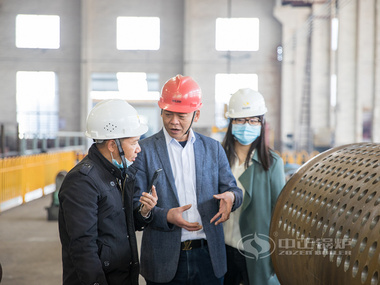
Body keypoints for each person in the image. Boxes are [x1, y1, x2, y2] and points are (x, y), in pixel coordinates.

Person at [132, 74, 243, 285]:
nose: (174, 121)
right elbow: (135, 206)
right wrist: (166, 216)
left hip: (208, 257)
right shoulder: (144, 151)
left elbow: (234, 190)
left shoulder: (213, 149)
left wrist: (230, 196)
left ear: (196, 115)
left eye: (182, 115)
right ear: (161, 111)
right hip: (164, 260)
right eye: (168, 114)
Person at [58, 99, 158, 285]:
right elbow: (83, 248)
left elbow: (121, 225)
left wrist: (143, 212)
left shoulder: (119, 173)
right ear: (113, 145)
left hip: (122, 276)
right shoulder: (82, 181)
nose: (139, 149)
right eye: (134, 142)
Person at [222, 88, 285, 285]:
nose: (247, 125)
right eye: (240, 120)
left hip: (255, 250)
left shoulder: (272, 163)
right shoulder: (219, 158)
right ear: (231, 122)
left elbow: (278, 212)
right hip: (222, 247)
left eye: (253, 120)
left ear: (261, 123)